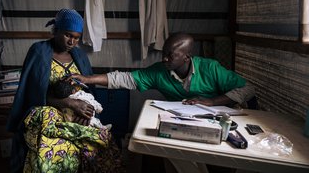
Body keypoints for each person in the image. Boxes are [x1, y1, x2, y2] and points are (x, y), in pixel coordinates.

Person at [6, 9, 122, 173]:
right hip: (46, 114)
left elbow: (89, 93)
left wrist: (86, 112)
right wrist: (69, 103)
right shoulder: (39, 52)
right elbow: (33, 94)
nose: (72, 42)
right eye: (68, 35)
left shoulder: (80, 56)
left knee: (103, 144)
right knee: (56, 150)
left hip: (76, 115)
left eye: (76, 38)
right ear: (56, 31)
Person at [72, 33, 255, 107]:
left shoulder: (210, 68)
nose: (164, 58)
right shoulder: (159, 71)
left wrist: (212, 101)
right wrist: (88, 79)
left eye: (171, 55)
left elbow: (248, 89)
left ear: (187, 56)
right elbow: (124, 78)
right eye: (164, 53)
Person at [48, 79, 112, 130]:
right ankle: (103, 128)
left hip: (71, 123)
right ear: (73, 90)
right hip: (88, 117)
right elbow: (91, 101)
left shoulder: (62, 106)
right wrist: (99, 108)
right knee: (95, 122)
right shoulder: (81, 94)